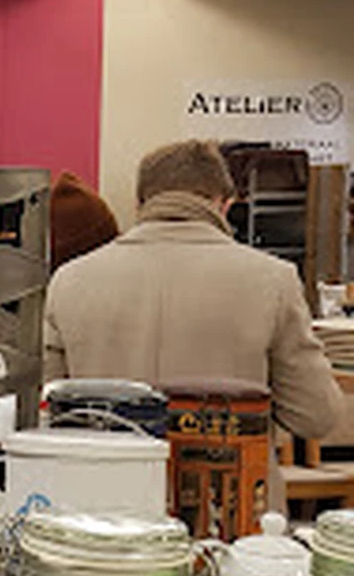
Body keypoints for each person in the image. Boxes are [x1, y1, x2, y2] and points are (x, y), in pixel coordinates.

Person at [45, 139, 340, 439]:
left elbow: (44, 408)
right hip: (229, 466)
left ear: (140, 204)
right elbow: (316, 416)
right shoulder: (275, 280)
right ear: (224, 204)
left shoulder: (68, 281)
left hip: (104, 467)